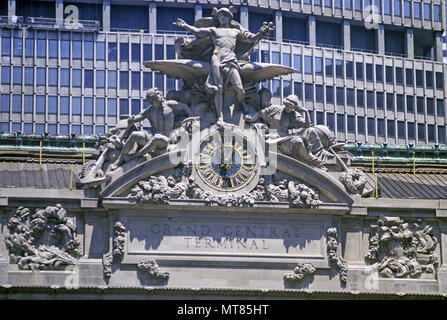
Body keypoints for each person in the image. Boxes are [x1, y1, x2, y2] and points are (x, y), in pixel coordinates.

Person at [174, 7, 273, 125]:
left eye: (225, 15)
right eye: (220, 15)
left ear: (230, 17)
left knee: (240, 89)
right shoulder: (214, 30)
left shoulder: (235, 31)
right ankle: (220, 117)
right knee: (218, 88)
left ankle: (241, 103)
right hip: (216, 58)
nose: (222, 17)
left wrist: (261, 33)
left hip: (230, 59)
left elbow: (251, 38)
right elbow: (197, 32)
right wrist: (185, 25)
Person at [110, 88, 193, 170]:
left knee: (157, 137)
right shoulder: (149, 111)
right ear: (152, 100)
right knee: (134, 135)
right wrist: (132, 119)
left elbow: (184, 106)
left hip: (167, 140)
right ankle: (119, 159)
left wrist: (192, 116)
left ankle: (134, 156)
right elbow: (137, 118)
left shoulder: (169, 105)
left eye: (160, 94)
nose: (161, 96)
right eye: (158, 95)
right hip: (152, 138)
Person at [245, 94, 327, 168]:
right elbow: (261, 113)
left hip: (285, 137)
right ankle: (310, 157)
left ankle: (311, 156)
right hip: (273, 135)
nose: (289, 108)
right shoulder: (275, 109)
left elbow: (307, 126)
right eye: (287, 105)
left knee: (309, 132)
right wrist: (252, 119)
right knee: (298, 140)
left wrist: (305, 111)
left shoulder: (294, 115)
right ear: (285, 104)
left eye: (291, 107)